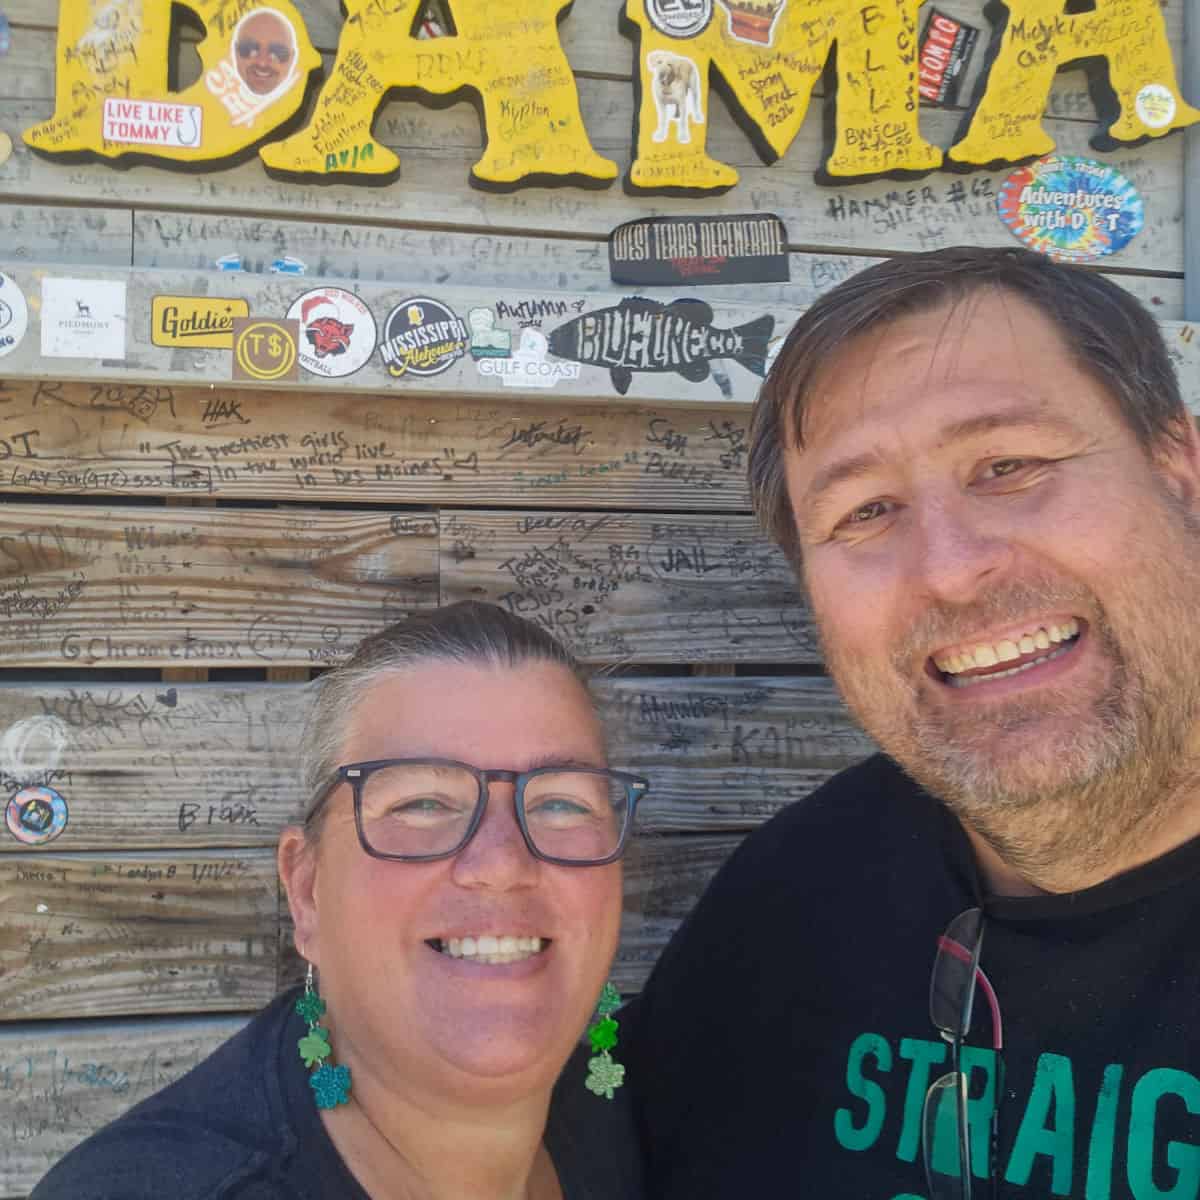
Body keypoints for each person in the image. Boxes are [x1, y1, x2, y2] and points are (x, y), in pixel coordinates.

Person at [627, 246, 1200, 1198]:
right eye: (867, 511)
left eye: (1008, 465)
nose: (948, 567)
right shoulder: (797, 897)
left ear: (1178, 471)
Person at [33, 602, 647, 1199]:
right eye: (422, 803)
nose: (502, 865)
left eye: (562, 803)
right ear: (307, 891)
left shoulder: (644, 1123)